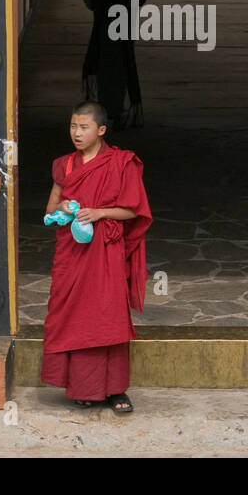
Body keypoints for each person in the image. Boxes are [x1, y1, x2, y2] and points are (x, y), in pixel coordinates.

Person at [40, 101, 152, 413]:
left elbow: (134, 210)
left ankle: (116, 390)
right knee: (72, 316)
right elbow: (50, 209)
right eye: (73, 126)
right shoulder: (64, 165)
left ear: (101, 130)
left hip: (105, 251)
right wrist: (61, 209)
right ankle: (82, 388)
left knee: (107, 316)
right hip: (73, 253)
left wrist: (99, 212)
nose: (76, 133)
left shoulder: (121, 163)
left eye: (84, 127)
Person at [81, 0, 149, 130]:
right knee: (103, 70)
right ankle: (105, 110)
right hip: (103, 25)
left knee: (120, 69)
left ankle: (118, 111)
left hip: (123, 26)